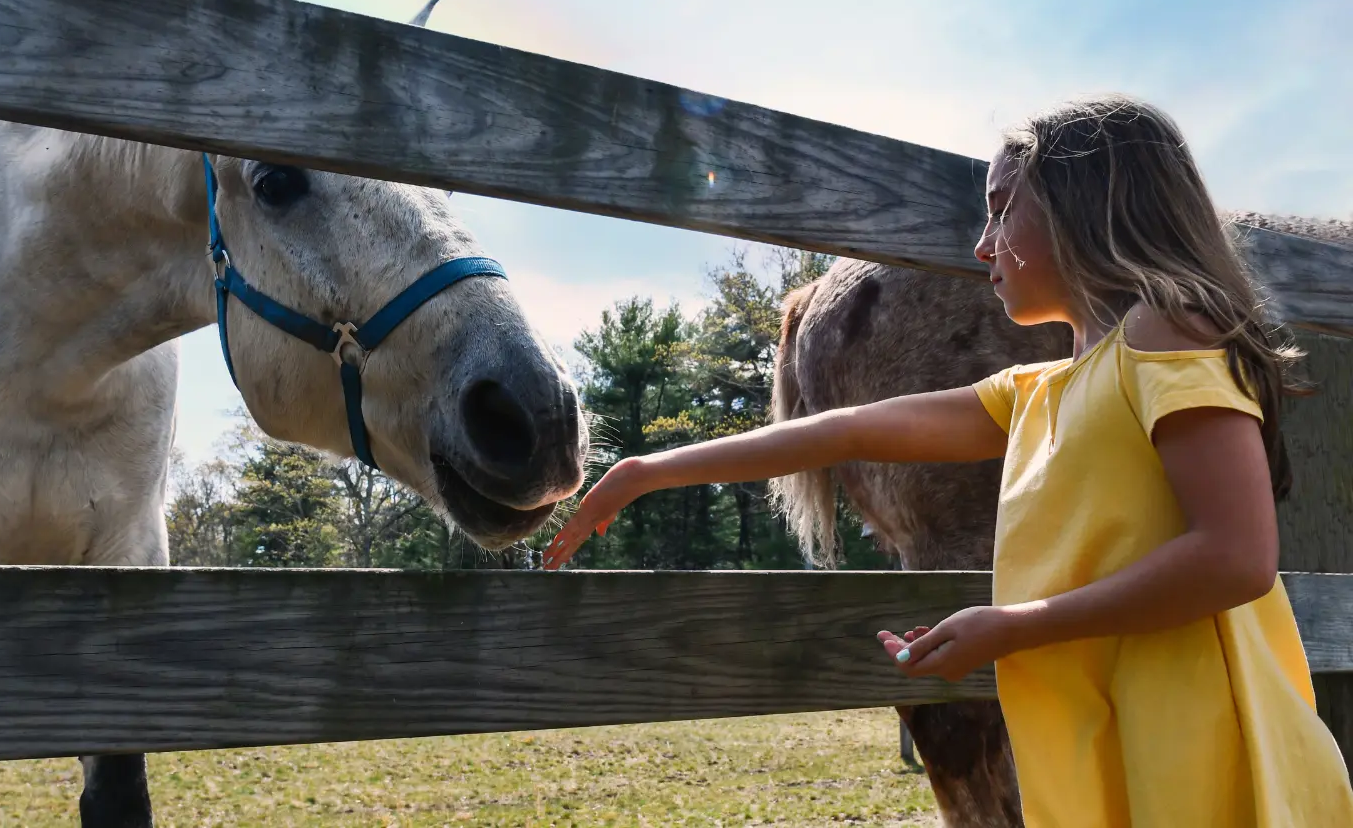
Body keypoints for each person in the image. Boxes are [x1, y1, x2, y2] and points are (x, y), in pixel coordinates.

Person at [540, 93, 1353, 826]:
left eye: (1003, 210)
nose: (982, 243)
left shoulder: (1165, 332)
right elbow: (847, 430)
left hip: (1195, 742)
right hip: (1115, 733)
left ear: (1086, 206)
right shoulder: (1037, 391)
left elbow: (1237, 556)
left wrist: (1012, 627)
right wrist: (649, 470)